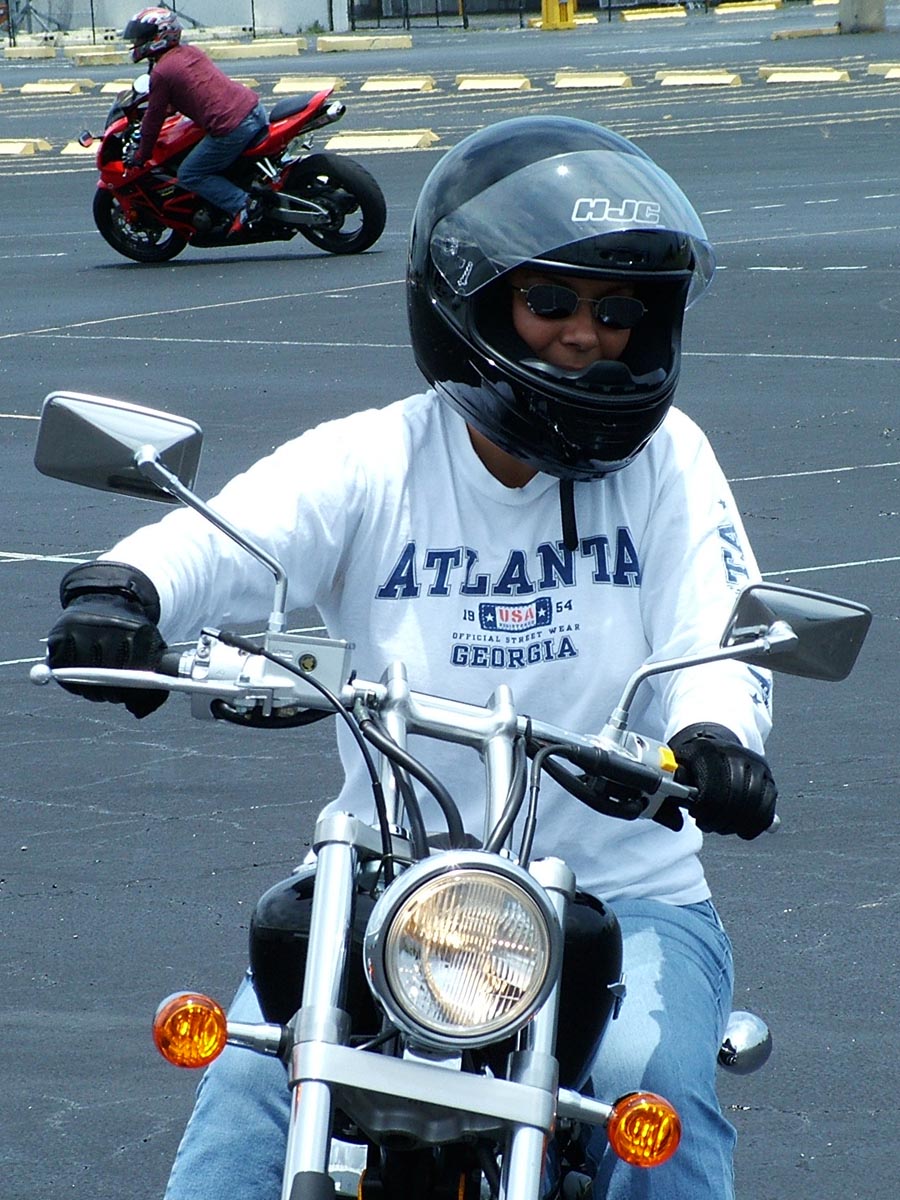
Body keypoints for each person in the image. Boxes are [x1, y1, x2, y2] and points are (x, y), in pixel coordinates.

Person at [46, 116, 778, 1199]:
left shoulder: (667, 462)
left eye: (617, 311)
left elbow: (714, 628)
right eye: (552, 301)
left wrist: (714, 737)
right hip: (386, 889)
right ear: (472, 302)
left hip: (625, 895)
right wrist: (124, 590)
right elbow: (232, 538)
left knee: (650, 1101)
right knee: (245, 1113)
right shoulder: (377, 457)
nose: (586, 335)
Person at [121, 7, 268, 235]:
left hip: (232, 127)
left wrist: (141, 155)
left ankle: (243, 204)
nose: (137, 42)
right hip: (253, 109)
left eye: (141, 38)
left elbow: (154, 119)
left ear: (159, 37)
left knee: (190, 173)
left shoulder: (161, 73)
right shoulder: (190, 52)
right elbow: (191, 91)